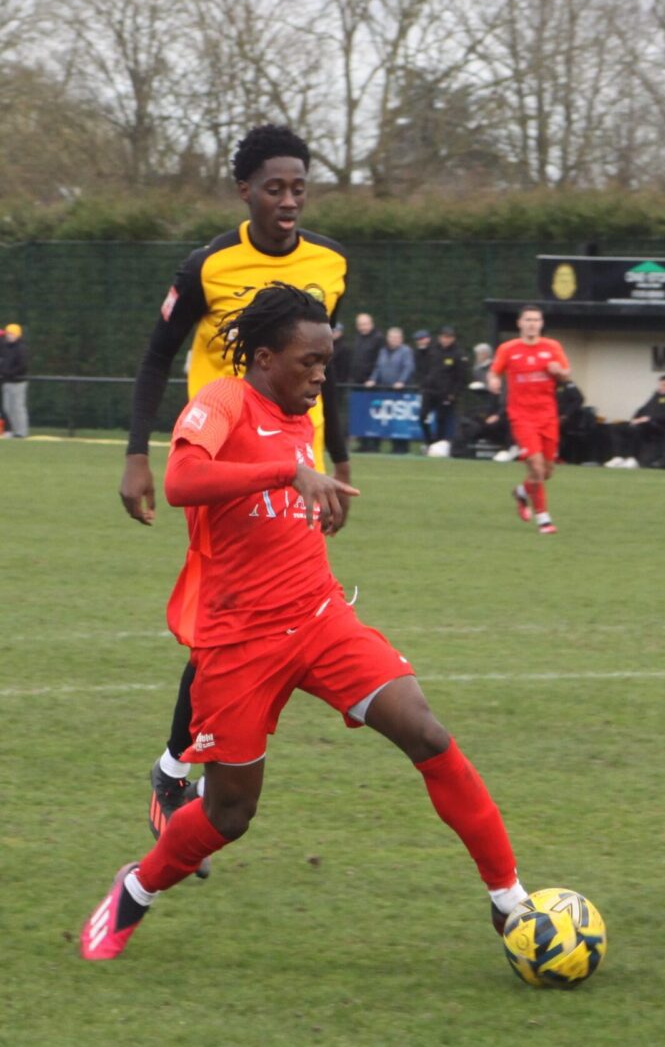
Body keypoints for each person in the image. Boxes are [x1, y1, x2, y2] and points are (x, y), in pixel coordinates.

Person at [79, 284, 528, 960]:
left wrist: (313, 498)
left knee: (427, 733)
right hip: (238, 644)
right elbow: (182, 481)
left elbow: (286, 492)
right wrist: (288, 475)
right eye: (307, 362)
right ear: (264, 359)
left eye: (327, 362)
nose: (320, 375)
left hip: (320, 620)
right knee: (231, 813)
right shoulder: (224, 401)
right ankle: (135, 890)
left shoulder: (301, 415)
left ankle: (510, 900)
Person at [116, 125, 352, 877]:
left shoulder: (332, 265)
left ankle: (178, 768)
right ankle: (177, 769)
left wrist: (337, 459)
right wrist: (136, 458)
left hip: (298, 466)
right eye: (274, 188)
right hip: (220, 461)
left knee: (266, 616)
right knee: (227, 618)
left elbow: (327, 366)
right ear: (244, 190)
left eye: (298, 189)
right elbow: (157, 357)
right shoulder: (207, 265)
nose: (288, 201)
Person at [488, 306, 569, 532]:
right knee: (535, 465)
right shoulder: (508, 349)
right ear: (520, 323)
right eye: (528, 320)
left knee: (547, 471)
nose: (532, 324)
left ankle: (522, 492)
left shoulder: (552, 347)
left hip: (548, 416)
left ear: (541, 324)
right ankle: (544, 519)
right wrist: (493, 380)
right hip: (522, 416)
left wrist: (559, 372)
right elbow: (494, 371)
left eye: (536, 320)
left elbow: (566, 373)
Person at [606, 376, 665, 468]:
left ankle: (632, 458)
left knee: (638, 428)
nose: (664, 387)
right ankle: (618, 456)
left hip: (660, 426)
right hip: (644, 423)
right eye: (662, 385)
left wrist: (649, 418)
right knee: (616, 427)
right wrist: (635, 419)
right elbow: (642, 409)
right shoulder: (656, 396)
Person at [370, 327, 416, 454]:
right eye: (391, 337)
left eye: (396, 337)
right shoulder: (383, 351)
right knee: (382, 418)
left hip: (399, 392)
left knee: (399, 421)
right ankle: (376, 445)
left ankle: (401, 447)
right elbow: (378, 368)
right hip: (384, 391)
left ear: (401, 339)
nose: (394, 340)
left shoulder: (406, 351)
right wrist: (372, 379)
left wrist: (401, 381)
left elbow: (408, 367)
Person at [421, 325, 468, 446]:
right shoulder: (432, 350)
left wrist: (454, 394)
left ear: (453, 338)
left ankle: (437, 445)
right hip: (429, 390)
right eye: (444, 337)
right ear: (439, 337)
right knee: (422, 416)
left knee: (441, 420)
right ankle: (429, 441)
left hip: (445, 393)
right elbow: (424, 367)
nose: (446, 340)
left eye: (449, 337)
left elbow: (461, 377)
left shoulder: (458, 354)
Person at [350, 313, 383, 453]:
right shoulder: (358, 339)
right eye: (360, 324)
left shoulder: (378, 338)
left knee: (374, 414)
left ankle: (374, 444)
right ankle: (363, 442)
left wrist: (373, 378)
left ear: (371, 323)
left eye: (365, 324)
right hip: (358, 383)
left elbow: (381, 361)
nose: (362, 327)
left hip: (373, 384)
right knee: (361, 414)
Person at [0, 322, 28, 437]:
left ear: (17, 335)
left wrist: (9, 374)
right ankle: (13, 431)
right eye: (8, 334)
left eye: (11, 334)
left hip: (17, 382)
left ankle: (22, 432)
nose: (9, 336)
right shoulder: (6, 347)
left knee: (18, 408)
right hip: (7, 382)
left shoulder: (21, 348)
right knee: (7, 408)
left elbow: (22, 365)